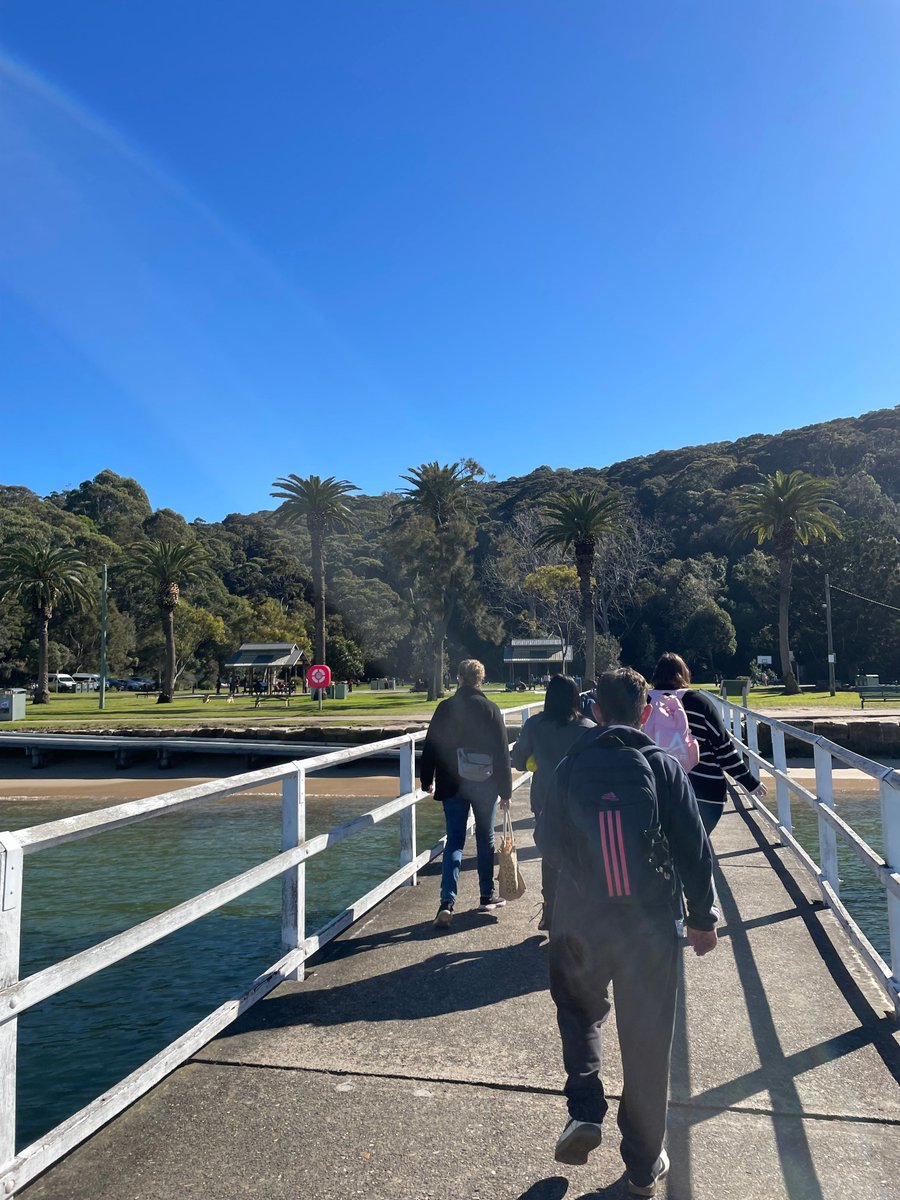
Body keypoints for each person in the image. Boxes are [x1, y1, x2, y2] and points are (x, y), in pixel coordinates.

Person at [536, 668, 718, 1197]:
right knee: (647, 1042)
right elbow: (694, 850)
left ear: (596, 711)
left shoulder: (571, 763)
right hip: (650, 926)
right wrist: (703, 919)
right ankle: (642, 1165)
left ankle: (585, 1109)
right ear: (645, 713)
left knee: (577, 1010)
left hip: (580, 919)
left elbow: (546, 838)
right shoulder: (662, 766)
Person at [420, 658, 513, 927]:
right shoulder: (491, 709)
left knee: (455, 842)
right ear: (480, 679)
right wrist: (505, 790)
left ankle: (447, 902)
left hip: (451, 782)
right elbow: (502, 755)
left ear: (459, 678)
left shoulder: (446, 707)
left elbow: (432, 746)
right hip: (484, 785)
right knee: (485, 839)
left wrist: (427, 779)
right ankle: (486, 895)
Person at [510, 674, 594, 929]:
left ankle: (549, 908)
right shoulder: (588, 728)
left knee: (550, 854)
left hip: (545, 799)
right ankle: (579, 910)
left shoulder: (535, 725)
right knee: (581, 853)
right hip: (580, 802)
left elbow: (518, 760)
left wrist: (533, 760)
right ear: (575, 697)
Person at [651, 652, 767, 835]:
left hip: (655, 791)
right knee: (694, 854)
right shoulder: (699, 703)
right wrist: (749, 782)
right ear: (684, 674)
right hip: (704, 791)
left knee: (664, 850)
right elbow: (723, 749)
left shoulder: (644, 702)